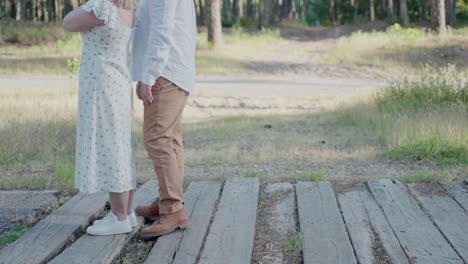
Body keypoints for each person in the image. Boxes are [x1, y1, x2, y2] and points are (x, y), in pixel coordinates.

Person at [63, 0, 138, 236]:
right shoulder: (131, 7)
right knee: (121, 145)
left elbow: (68, 22)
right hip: (118, 80)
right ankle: (127, 210)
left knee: (111, 147)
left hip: (101, 84)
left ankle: (119, 217)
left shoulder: (102, 6)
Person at [130, 0, 197, 238]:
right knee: (169, 141)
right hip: (172, 71)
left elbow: (162, 30)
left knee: (157, 140)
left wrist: (149, 74)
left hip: (166, 72)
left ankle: (173, 209)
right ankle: (170, 203)